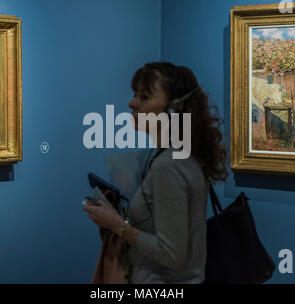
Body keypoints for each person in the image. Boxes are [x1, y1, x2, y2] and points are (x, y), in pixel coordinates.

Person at [83, 62, 228, 283]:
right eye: (135, 95)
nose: (132, 103)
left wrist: (117, 225)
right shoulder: (179, 155)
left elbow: (171, 254)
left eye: (144, 97)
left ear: (175, 108)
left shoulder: (169, 165)